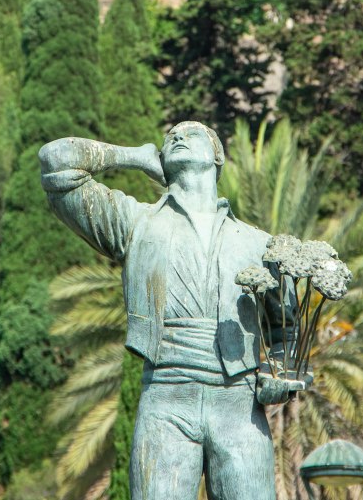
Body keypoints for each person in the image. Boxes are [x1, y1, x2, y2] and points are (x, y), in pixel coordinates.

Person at [39, 121, 294, 500]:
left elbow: (284, 328)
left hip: (238, 406)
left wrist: (281, 373)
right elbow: (56, 160)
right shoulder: (135, 222)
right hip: (165, 397)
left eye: (192, 134)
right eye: (170, 136)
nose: (177, 137)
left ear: (217, 156)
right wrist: (136, 157)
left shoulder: (258, 243)